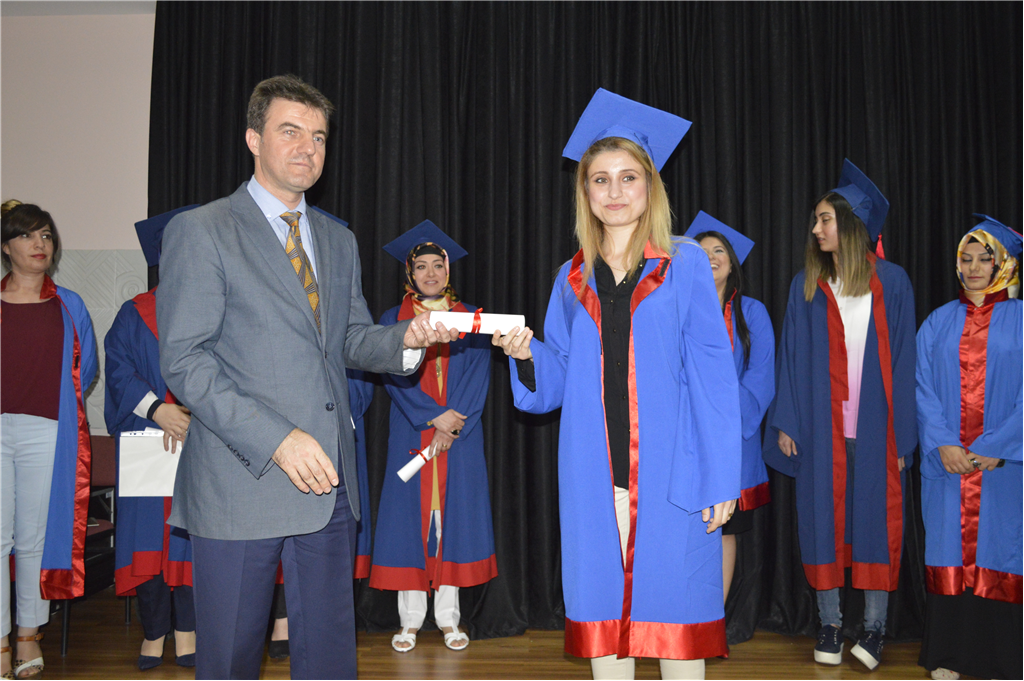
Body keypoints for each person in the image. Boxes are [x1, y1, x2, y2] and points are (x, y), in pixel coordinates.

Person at [155, 74, 457, 679]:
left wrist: (408, 339)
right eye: (290, 131)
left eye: (318, 137)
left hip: (328, 484)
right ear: (253, 139)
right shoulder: (203, 230)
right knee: (230, 660)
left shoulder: (337, 239)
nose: (308, 148)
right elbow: (186, 361)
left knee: (328, 660)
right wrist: (276, 438)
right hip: (241, 482)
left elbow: (349, 339)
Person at [495, 88, 742, 680]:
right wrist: (525, 354)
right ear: (584, 192)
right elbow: (556, 376)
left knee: (678, 634)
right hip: (594, 478)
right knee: (604, 630)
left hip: (673, 475)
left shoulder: (684, 262)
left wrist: (720, 477)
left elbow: (713, 375)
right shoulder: (570, 277)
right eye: (599, 180)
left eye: (628, 177)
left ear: (650, 186)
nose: (614, 191)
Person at [763, 160, 917, 671]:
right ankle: (829, 623)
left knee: (875, 523)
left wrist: (903, 438)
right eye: (816, 219)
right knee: (821, 522)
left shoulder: (892, 283)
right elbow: (790, 356)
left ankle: (874, 629)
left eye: (824, 219)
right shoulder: (807, 284)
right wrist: (787, 420)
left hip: (876, 429)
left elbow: (905, 362)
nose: (815, 228)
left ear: (850, 224)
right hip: (821, 428)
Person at [369, 221, 496, 653]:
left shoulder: (472, 317)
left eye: (437, 266)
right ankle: (409, 621)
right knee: (411, 524)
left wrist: (452, 424)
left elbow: (478, 375)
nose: (430, 273)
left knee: (450, 524)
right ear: (410, 272)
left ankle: (447, 619)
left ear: (448, 270)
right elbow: (392, 376)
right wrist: (432, 418)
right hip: (412, 430)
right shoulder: (393, 320)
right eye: (421, 266)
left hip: (460, 437)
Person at [916, 215, 1022, 681]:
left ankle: (1002, 659)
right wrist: (942, 442)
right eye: (966, 258)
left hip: (1004, 468)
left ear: (1004, 265)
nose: (974, 267)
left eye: (984, 259)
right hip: (948, 466)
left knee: (1003, 552)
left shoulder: (1021, 320)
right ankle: (949, 656)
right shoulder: (938, 322)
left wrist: (998, 447)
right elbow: (920, 387)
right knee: (948, 551)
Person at [1, 202, 97, 680]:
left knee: (33, 538)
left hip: (47, 432)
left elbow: (87, 369)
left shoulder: (70, 305)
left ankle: (27, 635)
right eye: (27, 236)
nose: (39, 245)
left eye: (46, 236)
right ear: (6, 247)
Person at [104, 207, 198, 671]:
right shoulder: (134, 312)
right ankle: (154, 630)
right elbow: (119, 371)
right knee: (148, 538)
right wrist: (158, 408)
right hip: (146, 436)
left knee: (194, 537)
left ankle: (188, 630)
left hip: (201, 439)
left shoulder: (216, 310)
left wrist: (196, 413)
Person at [684, 212, 774, 603]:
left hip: (734, 439)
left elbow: (761, 378)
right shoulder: (679, 311)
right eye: (701, 251)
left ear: (732, 262)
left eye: (719, 250)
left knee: (725, 530)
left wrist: (721, 401)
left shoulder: (752, 313)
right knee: (685, 528)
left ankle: (713, 618)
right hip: (686, 437)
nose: (710, 257)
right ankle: (680, 616)